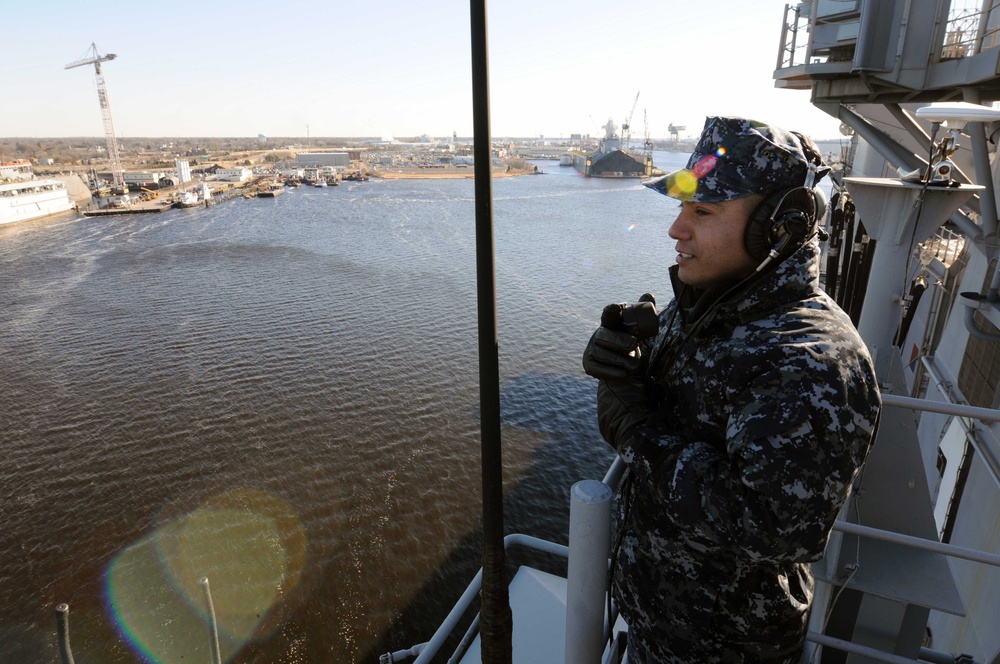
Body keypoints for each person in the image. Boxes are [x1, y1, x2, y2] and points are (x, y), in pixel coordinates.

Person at [582, 116, 881, 663]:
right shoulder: (712, 302)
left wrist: (640, 435)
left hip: (723, 648)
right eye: (681, 208)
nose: (677, 229)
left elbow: (773, 527)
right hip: (659, 626)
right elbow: (684, 402)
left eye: (702, 211)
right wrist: (627, 360)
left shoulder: (813, 361)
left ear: (781, 225)